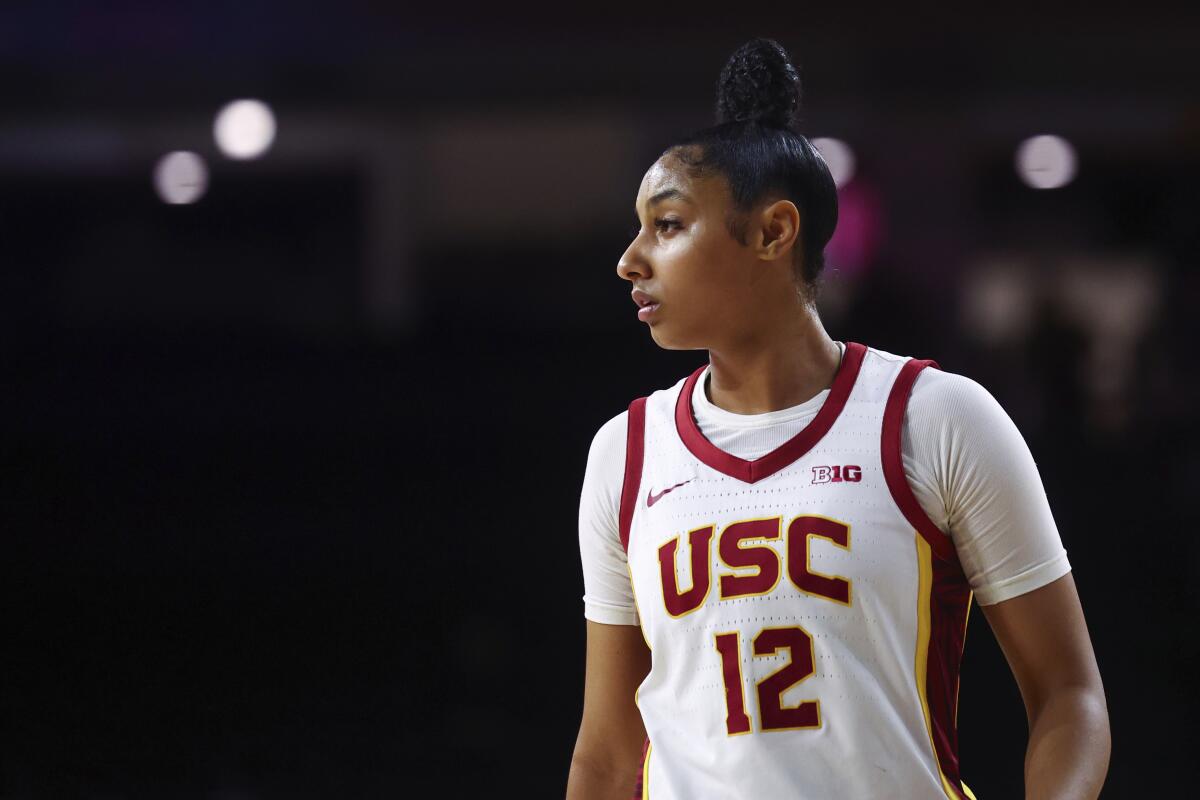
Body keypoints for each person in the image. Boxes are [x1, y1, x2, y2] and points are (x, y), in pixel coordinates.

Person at [565, 38, 1110, 800]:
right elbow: (606, 752)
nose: (630, 258)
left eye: (667, 225)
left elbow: (1069, 696)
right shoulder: (623, 452)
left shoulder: (937, 418)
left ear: (771, 232)